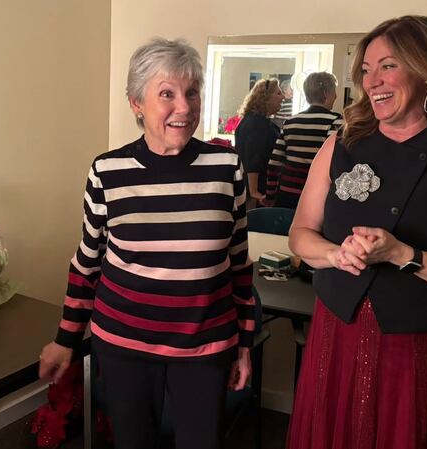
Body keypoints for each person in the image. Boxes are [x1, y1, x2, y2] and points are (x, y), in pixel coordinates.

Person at [286, 15, 427, 449]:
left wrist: (403, 255)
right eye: (367, 69)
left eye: (388, 65)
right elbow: (300, 234)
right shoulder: (341, 142)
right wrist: (336, 255)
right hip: (336, 335)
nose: (373, 80)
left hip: (418, 349)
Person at [38, 38, 256, 449]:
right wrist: (65, 339)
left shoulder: (227, 167)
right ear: (137, 102)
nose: (185, 107)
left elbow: (240, 266)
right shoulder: (108, 171)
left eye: (192, 92)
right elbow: (87, 265)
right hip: (124, 346)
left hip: (204, 347)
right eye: (167, 94)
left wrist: (244, 346)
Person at [266, 72, 343, 209]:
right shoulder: (336, 122)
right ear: (326, 94)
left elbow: (274, 163)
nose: (336, 96)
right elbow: (335, 163)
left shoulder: (290, 122)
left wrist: (271, 195)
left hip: (286, 194)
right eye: (334, 92)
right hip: (317, 197)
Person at [234, 78, 284, 208]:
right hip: (258, 194)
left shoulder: (249, 121)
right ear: (265, 98)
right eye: (278, 93)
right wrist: (255, 191)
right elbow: (253, 159)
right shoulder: (258, 124)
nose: (283, 97)